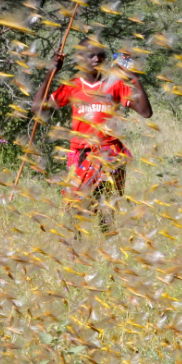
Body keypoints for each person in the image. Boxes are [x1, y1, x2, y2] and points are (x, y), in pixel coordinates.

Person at [31, 39, 152, 235]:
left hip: (109, 155)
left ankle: (109, 251)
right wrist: (51, 73)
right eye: (91, 55)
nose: (97, 59)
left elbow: (146, 113)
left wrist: (135, 79)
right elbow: (37, 108)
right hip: (81, 155)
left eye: (101, 54)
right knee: (74, 207)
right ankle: (73, 252)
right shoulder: (73, 86)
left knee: (105, 207)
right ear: (80, 58)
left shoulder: (115, 85)